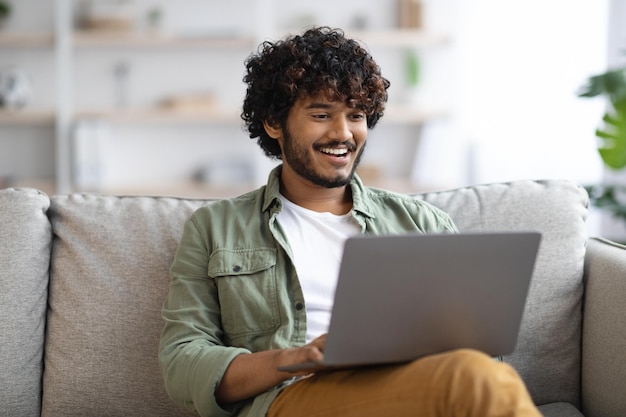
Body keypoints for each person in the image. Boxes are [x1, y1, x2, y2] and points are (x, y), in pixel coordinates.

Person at [158, 26, 542, 417]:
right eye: (321, 114)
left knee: (478, 374)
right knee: (476, 379)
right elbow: (182, 359)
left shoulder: (421, 222)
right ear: (274, 123)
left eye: (356, 115)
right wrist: (298, 357)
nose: (343, 134)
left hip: (412, 390)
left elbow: (477, 343)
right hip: (292, 396)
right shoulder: (215, 228)